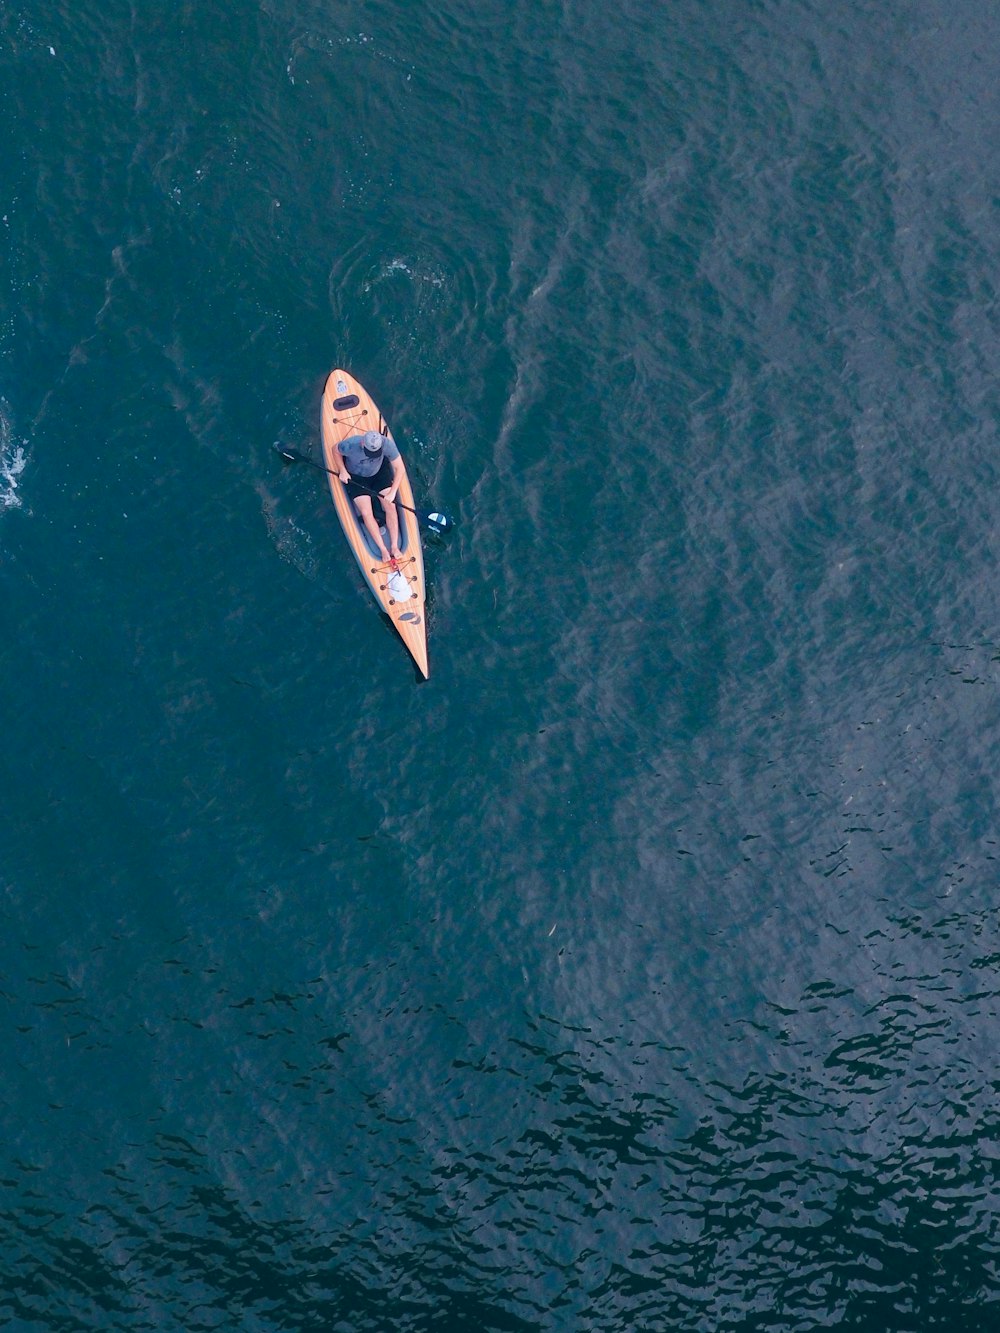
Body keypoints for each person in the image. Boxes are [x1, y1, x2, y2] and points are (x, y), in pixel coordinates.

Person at [337, 429, 405, 562]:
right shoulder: (351, 444)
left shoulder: (386, 444)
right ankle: (383, 550)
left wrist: (392, 492)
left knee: (390, 507)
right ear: (363, 443)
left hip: (379, 474)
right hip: (357, 478)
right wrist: (343, 470)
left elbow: (400, 468)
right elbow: (335, 450)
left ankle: (394, 546)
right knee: (366, 512)